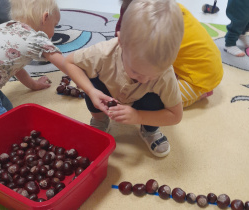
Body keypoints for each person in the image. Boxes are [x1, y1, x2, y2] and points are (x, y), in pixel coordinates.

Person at [63, 0, 184, 157]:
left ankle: (149, 130)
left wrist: (138, 116)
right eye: (136, 71)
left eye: (154, 74)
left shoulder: (165, 74)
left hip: (142, 102)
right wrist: (91, 91)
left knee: (157, 98)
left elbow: (176, 115)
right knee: (90, 79)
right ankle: (100, 120)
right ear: (121, 42)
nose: (144, 80)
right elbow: (70, 62)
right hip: (108, 92)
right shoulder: (104, 52)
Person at [115, 0, 223, 108]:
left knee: (160, 102)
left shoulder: (158, 31)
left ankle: (199, 93)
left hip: (199, 78)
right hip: (207, 64)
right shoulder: (169, 9)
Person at [0, 0, 66, 120]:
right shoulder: (35, 39)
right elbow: (65, 64)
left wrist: (33, 85)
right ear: (45, 18)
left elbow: (14, 68)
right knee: (4, 125)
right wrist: (90, 87)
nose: (54, 30)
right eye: (54, 25)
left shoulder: (6, 26)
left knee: (9, 109)